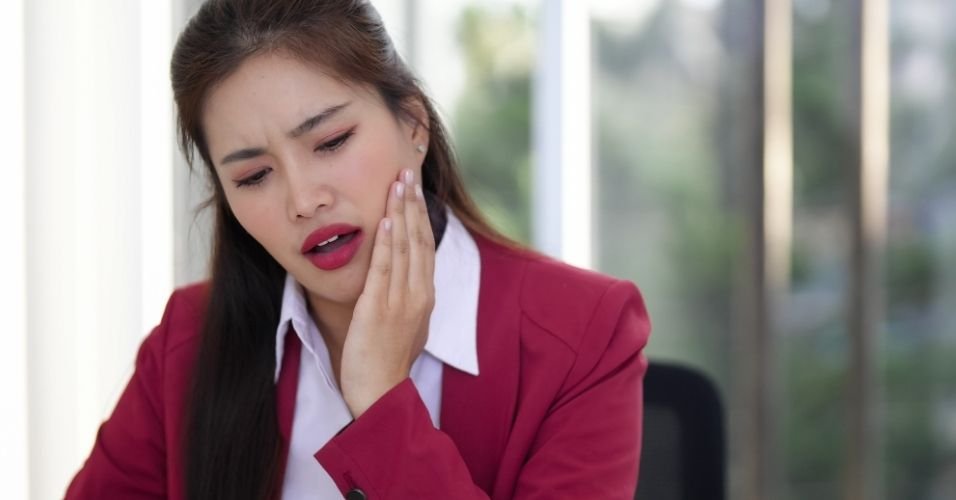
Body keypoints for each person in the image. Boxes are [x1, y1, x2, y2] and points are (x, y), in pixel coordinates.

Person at [66, 1, 650, 499]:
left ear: (414, 125)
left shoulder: (584, 333)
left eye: (331, 141)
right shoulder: (188, 343)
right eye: (253, 177)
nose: (304, 200)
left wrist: (382, 400)